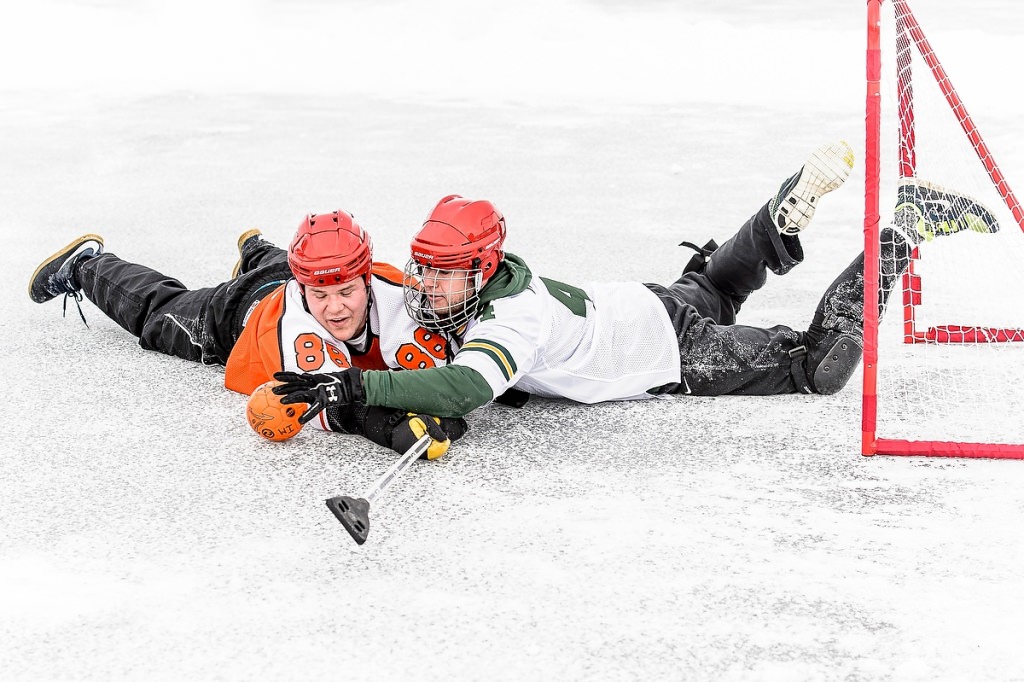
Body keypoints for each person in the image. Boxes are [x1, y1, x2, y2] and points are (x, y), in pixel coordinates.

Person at [269, 141, 1001, 422]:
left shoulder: (511, 323)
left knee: (818, 369)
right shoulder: (477, 286)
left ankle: (903, 229)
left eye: (439, 272)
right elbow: (366, 294)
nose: (422, 283)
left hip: (667, 348)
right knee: (713, 290)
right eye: (422, 267)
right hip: (642, 303)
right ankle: (778, 214)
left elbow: (464, 388)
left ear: (483, 270)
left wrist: (354, 388)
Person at [28, 211, 468, 459]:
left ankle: (258, 251)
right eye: (319, 294)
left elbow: (453, 353)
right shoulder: (292, 328)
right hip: (238, 316)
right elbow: (324, 401)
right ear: (302, 287)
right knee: (158, 314)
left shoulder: (406, 298)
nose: (336, 308)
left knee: (279, 269)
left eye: (347, 291)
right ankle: (87, 266)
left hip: (281, 272)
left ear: (367, 277)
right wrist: (387, 427)